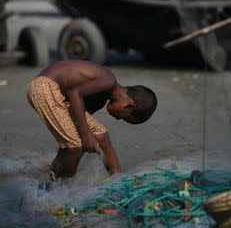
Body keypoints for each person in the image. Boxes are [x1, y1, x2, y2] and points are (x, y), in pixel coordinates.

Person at [27, 60, 157, 180]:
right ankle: (60, 192)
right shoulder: (108, 81)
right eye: (123, 118)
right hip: (44, 87)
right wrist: (86, 135)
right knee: (76, 147)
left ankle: (118, 182)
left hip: (57, 94)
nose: (117, 119)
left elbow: (75, 124)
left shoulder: (100, 100)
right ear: (129, 106)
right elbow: (74, 93)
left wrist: (61, 155)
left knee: (101, 135)